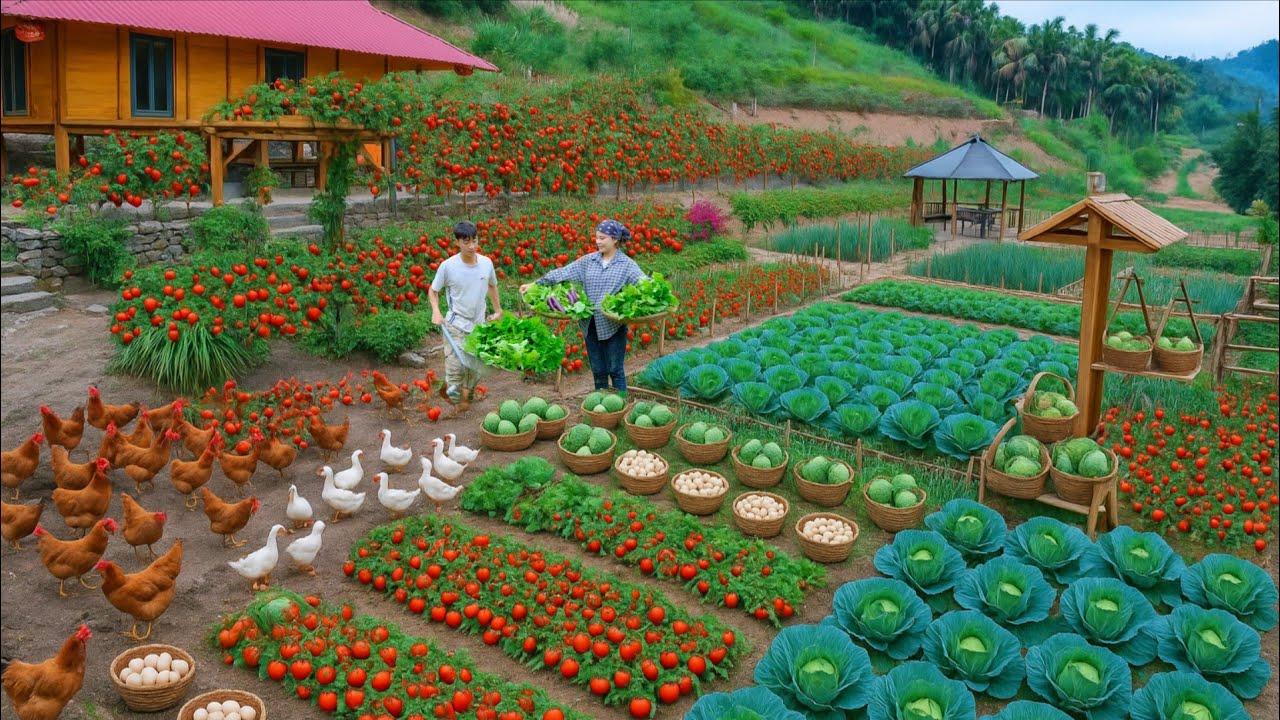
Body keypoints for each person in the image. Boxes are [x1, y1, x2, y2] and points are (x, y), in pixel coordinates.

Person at [520, 218, 647, 394]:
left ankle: (620, 408)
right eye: (597, 237)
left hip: (614, 325)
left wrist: (657, 293)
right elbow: (563, 272)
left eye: (603, 238)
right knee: (598, 371)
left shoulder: (627, 265)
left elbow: (644, 283)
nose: (598, 241)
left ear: (615, 240)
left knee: (615, 370)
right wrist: (535, 284)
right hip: (590, 325)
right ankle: (601, 407)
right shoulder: (589, 261)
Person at [429, 220, 503, 413]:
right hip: (455, 324)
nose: (471, 246)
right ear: (458, 242)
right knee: (455, 368)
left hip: (478, 325)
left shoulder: (486, 264)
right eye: (466, 242)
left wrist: (498, 310)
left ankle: (464, 399)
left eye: (474, 241)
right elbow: (433, 290)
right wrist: (436, 311)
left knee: (475, 368)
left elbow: (492, 285)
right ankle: (453, 406)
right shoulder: (448, 267)